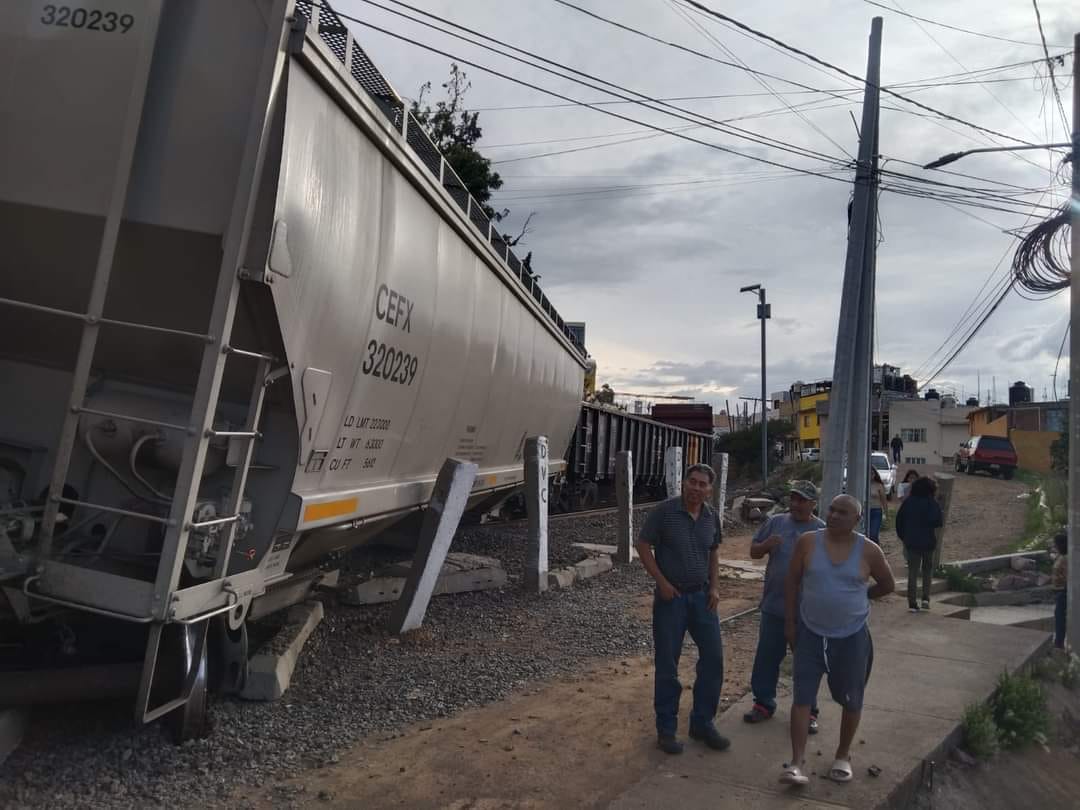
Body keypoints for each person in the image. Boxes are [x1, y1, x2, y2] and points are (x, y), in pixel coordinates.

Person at [780, 494, 895, 787]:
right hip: (810, 632)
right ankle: (795, 763)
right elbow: (792, 581)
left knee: (851, 698)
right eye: (831, 509)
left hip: (851, 636)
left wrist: (861, 596)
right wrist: (790, 623)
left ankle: (843, 755)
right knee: (802, 696)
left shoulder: (869, 551)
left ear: (856, 520)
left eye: (842, 512)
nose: (833, 515)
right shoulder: (808, 542)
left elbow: (887, 584)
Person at [636, 463, 729, 755]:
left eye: (703, 484)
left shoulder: (711, 517)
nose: (696, 488)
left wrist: (714, 587)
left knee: (713, 659)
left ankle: (702, 723)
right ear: (684, 483)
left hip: (702, 598)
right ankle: (666, 729)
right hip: (671, 599)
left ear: (710, 490)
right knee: (668, 664)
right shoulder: (665, 511)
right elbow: (642, 545)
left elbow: (713, 552)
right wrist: (661, 582)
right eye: (693, 482)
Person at [744, 481, 825, 731]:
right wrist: (766, 546)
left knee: (806, 662)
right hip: (774, 606)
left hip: (807, 612)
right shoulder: (776, 522)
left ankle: (808, 710)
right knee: (767, 657)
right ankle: (763, 703)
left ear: (813, 504)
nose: (796, 504)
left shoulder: (821, 530)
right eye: (793, 499)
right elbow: (753, 552)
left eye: (801, 500)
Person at [895, 476, 943, 612]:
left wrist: (904, 537)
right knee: (927, 571)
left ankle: (912, 603)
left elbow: (899, 521)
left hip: (911, 542)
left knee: (913, 573)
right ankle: (926, 599)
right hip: (928, 542)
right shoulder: (932, 503)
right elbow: (938, 522)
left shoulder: (908, 502)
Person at [1053, 532, 1068, 649]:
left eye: (1055, 544)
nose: (1054, 546)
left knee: (1060, 618)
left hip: (1063, 592)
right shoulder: (1061, 557)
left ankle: (1059, 643)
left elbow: (1067, 576)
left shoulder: (1065, 559)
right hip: (1059, 590)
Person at [867, 469, 888, 546]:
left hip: (876, 511)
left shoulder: (879, 485)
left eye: (872, 473)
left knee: (873, 534)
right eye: (869, 473)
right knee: (866, 534)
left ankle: (876, 549)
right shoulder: (863, 483)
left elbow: (884, 500)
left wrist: (886, 514)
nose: (871, 475)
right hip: (865, 511)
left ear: (875, 474)